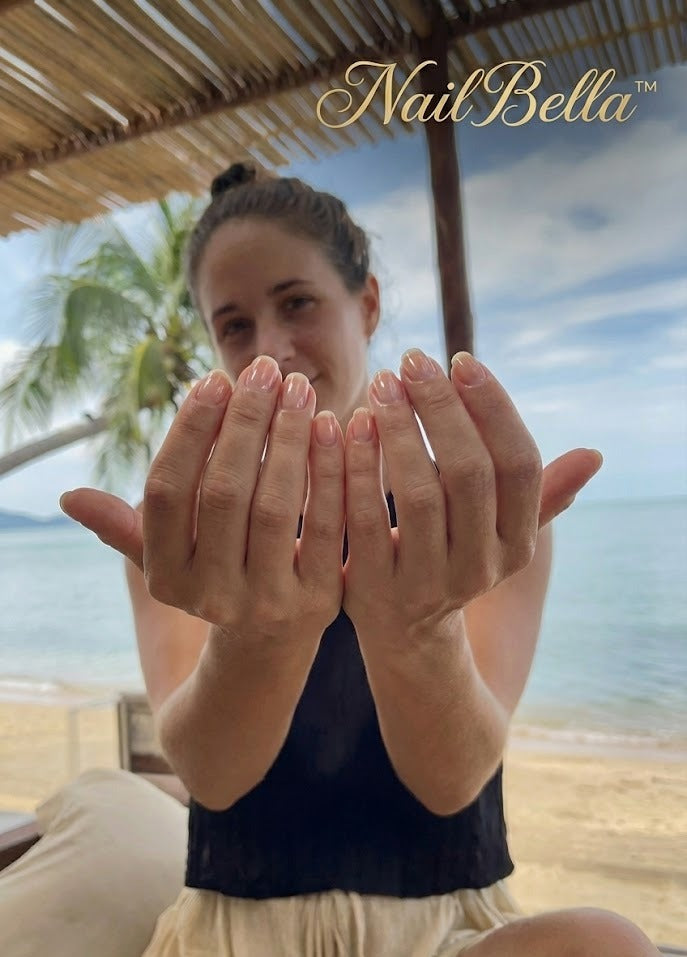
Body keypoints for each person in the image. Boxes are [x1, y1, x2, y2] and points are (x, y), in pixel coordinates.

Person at [59, 164, 660, 957]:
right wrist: (258, 636)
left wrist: (417, 630)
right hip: (235, 936)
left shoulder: (472, 518)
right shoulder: (188, 533)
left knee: (604, 943)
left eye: (297, 303)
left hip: (443, 931)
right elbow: (211, 774)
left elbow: (452, 780)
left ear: (367, 303)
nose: (270, 348)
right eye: (234, 325)